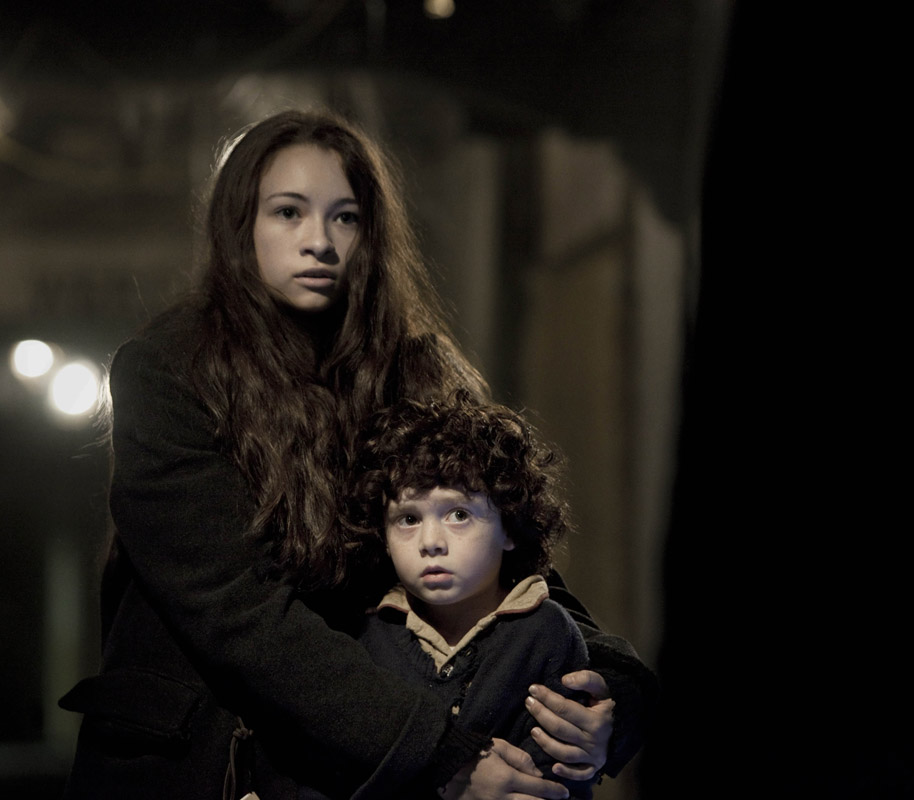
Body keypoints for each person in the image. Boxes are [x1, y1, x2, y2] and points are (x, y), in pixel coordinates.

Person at [58, 109, 653, 800]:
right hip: (200, 762)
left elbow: (505, 552)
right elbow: (236, 611)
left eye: (345, 218)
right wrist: (444, 759)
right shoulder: (168, 371)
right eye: (289, 212)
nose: (319, 241)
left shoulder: (414, 373)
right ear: (240, 223)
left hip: (353, 761)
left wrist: (611, 692)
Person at [346, 392, 615, 799]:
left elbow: (558, 776)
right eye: (408, 519)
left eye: (459, 514)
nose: (430, 542)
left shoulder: (546, 634)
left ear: (510, 526)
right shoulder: (368, 638)